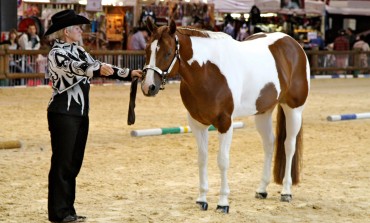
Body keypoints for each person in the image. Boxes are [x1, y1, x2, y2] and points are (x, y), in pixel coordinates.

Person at [43, 9, 142, 223]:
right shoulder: (56, 53)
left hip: (79, 114)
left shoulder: (79, 51)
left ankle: (67, 210)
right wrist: (95, 69)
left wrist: (128, 74)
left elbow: (101, 68)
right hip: (63, 113)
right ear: (66, 32)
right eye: (77, 28)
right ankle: (59, 213)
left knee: (73, 163)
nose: (81, 31)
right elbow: (76, 68)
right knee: (62, 163)